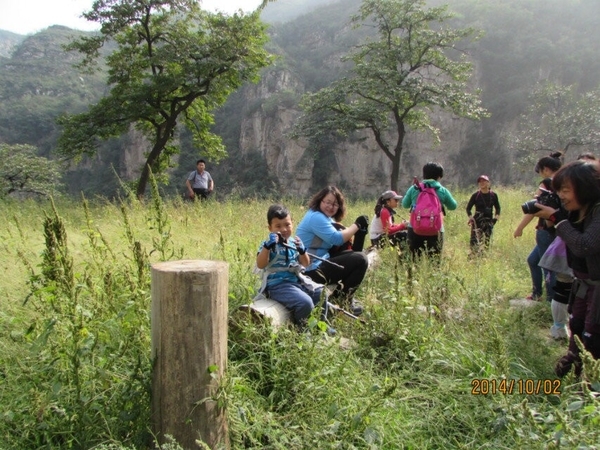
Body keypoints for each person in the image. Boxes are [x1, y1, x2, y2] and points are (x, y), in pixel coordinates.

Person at [531, 160, 600, 377]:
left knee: (593, 335)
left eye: (566, 190)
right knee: (576, 326)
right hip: (583, 284)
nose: (561, 196)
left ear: (585, 188)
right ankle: (575, 365)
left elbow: (584, 245)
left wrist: (559, 220)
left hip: (596, 288)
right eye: (559, 190)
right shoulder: (578, 211)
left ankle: (591, 386)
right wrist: (555, 219)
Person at [256, 204, 333, 333]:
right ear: (270, 228)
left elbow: (305, 264)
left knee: (321, 293)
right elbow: (260, 264)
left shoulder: (293, 242)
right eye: (278, 226)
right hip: (277, 286)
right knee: (305, 303)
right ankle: (303, 331)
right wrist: (267, 248)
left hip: (296, 282)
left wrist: (302, 251)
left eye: (287, 225)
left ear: (292, 223)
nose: (283, 229)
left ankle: (322, 325)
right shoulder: (268, 245)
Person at [296, 186, 369, 316]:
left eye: (335, 204)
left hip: (319, 262)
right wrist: (357, 225)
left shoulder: (327, 219)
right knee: (361, 259)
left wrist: (360, 233)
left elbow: (348, 246)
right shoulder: (316, 217)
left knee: (356, 256)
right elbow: (336, 239)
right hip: (309, 270)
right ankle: (344, 301)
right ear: (320, 201)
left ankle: (340, 297)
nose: (331, 207)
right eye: (328, 202)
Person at [513, 153, 562, 301]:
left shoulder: (547, 183)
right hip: (557, 229)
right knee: (533, 260)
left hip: (545, 231)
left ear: (546, 169)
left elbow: (534, 208)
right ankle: (537, 293)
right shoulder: (565, 182)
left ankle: (551, 299)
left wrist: (520, 228)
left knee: (548, 266)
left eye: (540, 171)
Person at [401, 162, 457, 258]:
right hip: (436, 230)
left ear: (424, 174)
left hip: (414, 228)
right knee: (435, 261)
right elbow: (453, 206)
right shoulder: (442, 190)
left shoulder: (414, 188)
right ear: (439, 176)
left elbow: (405, 204)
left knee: (414, 260)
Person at [466, 175, 501, 253]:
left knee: (486, 243)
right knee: (474, 243)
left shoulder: (493, 195)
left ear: (488, 183)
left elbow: (498, 208)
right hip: (477, 222)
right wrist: (471, 218)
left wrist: (495, 218)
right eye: (480, 182)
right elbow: (468, 208)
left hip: (489, 222)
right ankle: (474, 256)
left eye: (484, 181)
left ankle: (484, 257)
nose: (482, 183)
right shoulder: (475, 195)